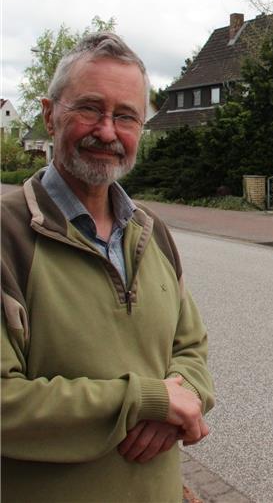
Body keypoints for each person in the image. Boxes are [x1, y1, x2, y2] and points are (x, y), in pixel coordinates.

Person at [1, 32, 214, 502]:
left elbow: (191, 347)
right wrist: (146, 401)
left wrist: (183, 398)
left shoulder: (151, 231)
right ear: (49, 115)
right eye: (90, 108)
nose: (108, 131)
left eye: (125, 116)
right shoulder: (7, 237)